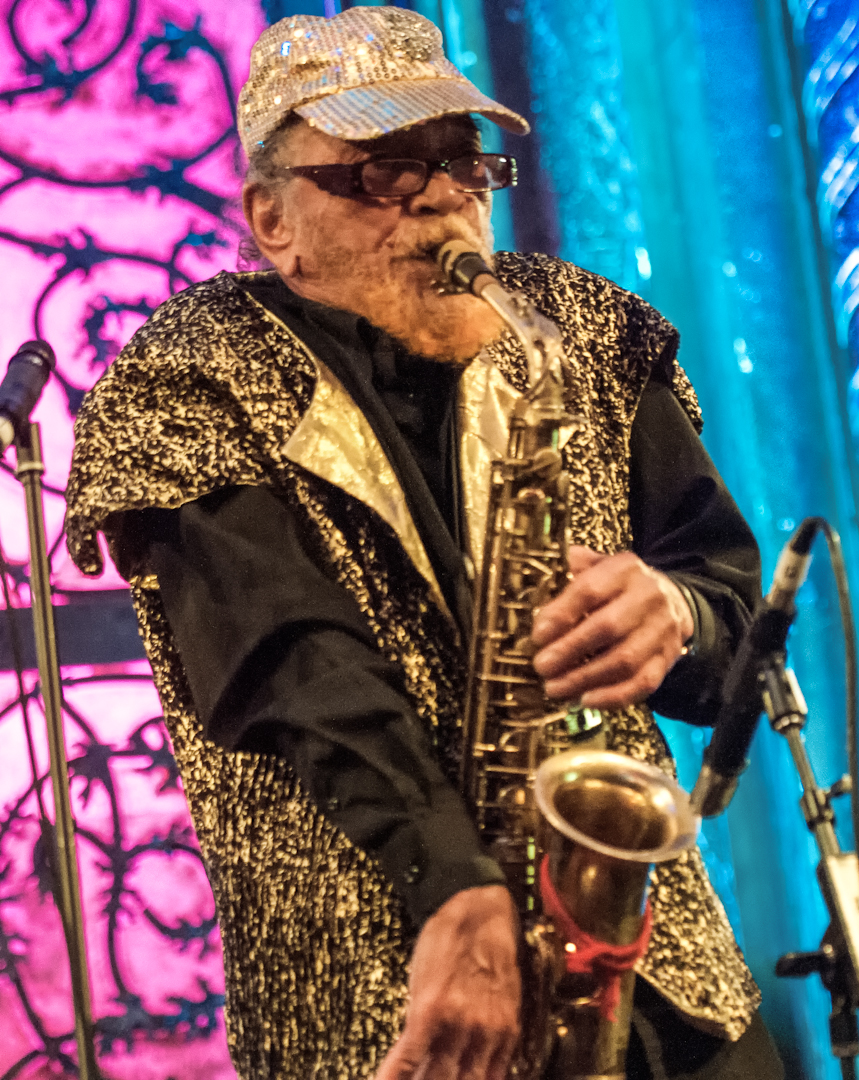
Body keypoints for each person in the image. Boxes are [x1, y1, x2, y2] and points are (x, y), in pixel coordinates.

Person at [66, 8, 783, 1079]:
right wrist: (455, 885)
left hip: (655, 978)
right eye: (385, 170)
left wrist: (676, 618)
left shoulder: (582, 331)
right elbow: (294, 667)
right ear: (274, 220)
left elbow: (734, 618)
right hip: (381, 1002)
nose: (446, 195)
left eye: (462, 161)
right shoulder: (189, 373)